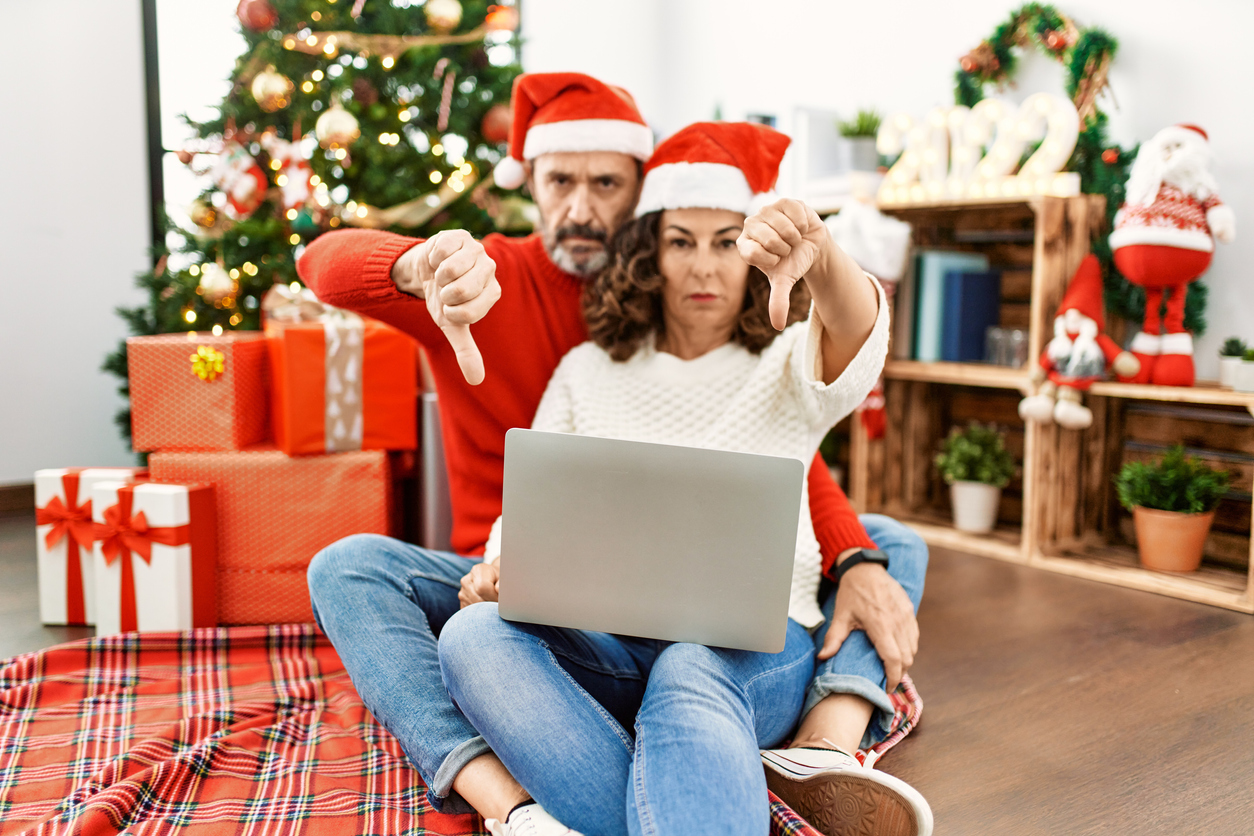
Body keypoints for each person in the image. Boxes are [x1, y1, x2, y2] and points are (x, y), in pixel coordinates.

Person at [300, 73, 926, 832]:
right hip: (566, 612)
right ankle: (536, 803)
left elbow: (823, 404)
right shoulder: (551, 335)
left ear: (633, 199)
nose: (702, 267)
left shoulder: (786, 361)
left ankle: (816, 741)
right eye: (561, 180)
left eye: (727, 243)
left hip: (734, 638)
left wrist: (823, 257)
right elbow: (323, 263)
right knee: (446, 620)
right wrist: (413, 266)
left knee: (847, 570)